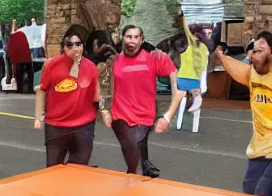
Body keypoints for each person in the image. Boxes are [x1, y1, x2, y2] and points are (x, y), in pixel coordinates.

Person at [100, 25, 181, 178]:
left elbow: (177, 85)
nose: (132, 40)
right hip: (120, 116)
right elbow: (104, 86)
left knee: (137, 153)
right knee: (133, 156)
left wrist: (168, 115)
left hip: (145, 116)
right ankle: (137, 178)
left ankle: (141, 173)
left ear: (142, 40)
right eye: (129, 37)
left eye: (136, 37)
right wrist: (104, 110)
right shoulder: (114, 61)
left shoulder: (153, 57)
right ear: (123, 39)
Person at [214, 32, 272, 196]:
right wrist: (219, 53)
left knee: (262, 193)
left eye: (259, 51)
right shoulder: (251, 74)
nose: (253, 55)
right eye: (253, 51)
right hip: (259, 149)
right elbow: (234, 67)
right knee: (250, 195)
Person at [34, 34, 101, 167]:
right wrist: (38, 116)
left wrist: (103, 111)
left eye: (78, 44)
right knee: (53, 170)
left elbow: (96, 96)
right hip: (56, 125)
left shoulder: (91, 67)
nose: (75, 48)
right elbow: (42, 90)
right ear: (64, 47)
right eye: (70, 45)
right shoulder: (52, 64)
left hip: (83, 126)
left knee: (78, 170)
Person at [175, 12, 210, 113]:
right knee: (195, 94)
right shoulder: (204, 48)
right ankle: (194, 101)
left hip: (182, 78)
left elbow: (187, 31)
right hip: (195, 80)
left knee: (182, 96)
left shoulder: (187, 44)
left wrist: (183, 17)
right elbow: (204, 69)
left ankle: (183, 106)